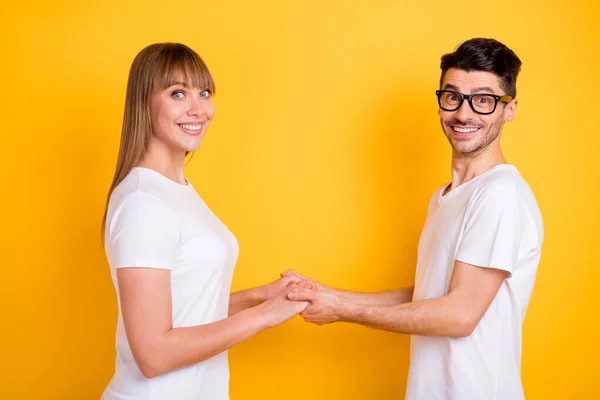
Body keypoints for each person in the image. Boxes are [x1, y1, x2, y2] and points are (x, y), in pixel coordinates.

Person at [286, 38, 544, 400]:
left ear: (510, 108)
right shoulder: (446, 197)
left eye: (483, 100)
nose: (464, 114)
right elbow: (430, 295)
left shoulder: (498, 194)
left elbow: (459, 315)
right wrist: (328, 293)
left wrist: (343, 311)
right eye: (453, 97)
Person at [101, 43, 311, 400]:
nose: (198, 109)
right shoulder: (143, 203)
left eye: (204, 92)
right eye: (178, 93)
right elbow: (154, 353)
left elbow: (185, 308)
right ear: (144, 102)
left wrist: (260, 297)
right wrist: (264, 316)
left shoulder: (175, 189)